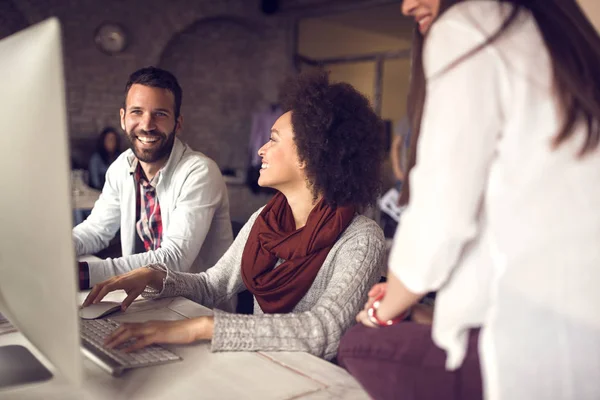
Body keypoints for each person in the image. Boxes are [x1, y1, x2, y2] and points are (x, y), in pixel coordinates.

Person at [338, 0, 600, 399]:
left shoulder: (471, 26)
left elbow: (441, 216)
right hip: (581, 329)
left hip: (533, 350)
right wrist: (410, 298)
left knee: (356, 343)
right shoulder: (565, 37)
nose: (408, 5)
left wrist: (382, 310)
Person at [82, 70, 386, 360]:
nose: (261, 151)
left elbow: (325, 331)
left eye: (274, 139)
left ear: (310, 155)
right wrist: (156, 277)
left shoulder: (361, 238)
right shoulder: (264, 220)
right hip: (258, 363)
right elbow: (212, 285)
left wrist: (202, 327)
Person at [73, 67, 233, 296]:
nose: (147, 125)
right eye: (137, 112)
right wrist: (57, 251)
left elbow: (174, 259)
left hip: (195, 309)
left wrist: (83, 273)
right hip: (144, 298)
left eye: (160, 114)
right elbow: (97, 230)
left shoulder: (200, 172)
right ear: (123, 118)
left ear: (177, 124)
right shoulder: (121, 166)